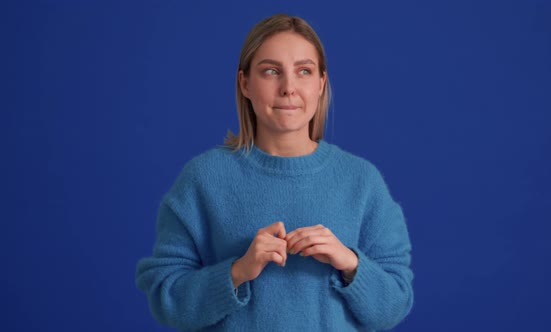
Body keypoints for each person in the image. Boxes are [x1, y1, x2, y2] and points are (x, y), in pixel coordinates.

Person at [135, 13, 413, 331]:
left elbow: (395, 305)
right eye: (271, 71)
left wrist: (349, 262)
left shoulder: (363, 182)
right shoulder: (203, 179)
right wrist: (238, 270)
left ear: (321, 84)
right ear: (245, 83)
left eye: (304, 71)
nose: (288, 88)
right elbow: (166, 300)